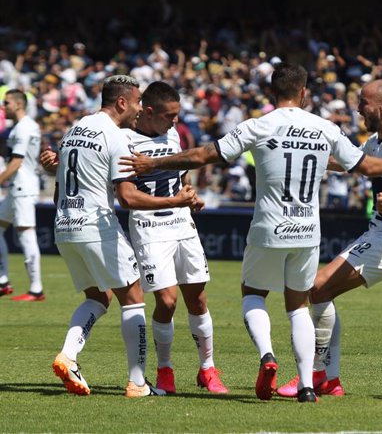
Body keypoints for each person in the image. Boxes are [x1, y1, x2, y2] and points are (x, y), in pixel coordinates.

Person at [119, 63, 382, 403]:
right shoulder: (324, 128)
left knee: (253, 294)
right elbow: (366, 166)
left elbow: (204, 155)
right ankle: (306, 385)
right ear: (303, 92)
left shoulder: (258, 126)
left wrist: (154, 163)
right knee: (298, 306)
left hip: (269, 228)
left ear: (272, 93)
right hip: (307, 230)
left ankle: (267, 355)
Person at [40, 75, 196, 397]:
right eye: (137, 102)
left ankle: (68, 356)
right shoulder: (117, 137)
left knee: (99, 297)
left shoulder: (74, 129)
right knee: (134, 296)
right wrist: (175, 201)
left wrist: (49, 168)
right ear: (122, 102)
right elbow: (127, 198)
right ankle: (138, 383)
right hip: (96, 226)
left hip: (64, 225)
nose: (140, 109)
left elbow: (61, 186)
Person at [276, 79, 382, 398]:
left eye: (364, 102)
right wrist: (313, 154)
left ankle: (319, 375)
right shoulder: (374, 142)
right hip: (379, 232)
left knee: (316, 287)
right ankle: (328, 379)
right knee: (318, 292)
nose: (358, 108)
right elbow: (352, 164)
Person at [125, 81, 228, 394]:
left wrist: (190, 193)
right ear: (150, 112)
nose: (175, 121)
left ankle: (207, 369)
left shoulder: (172, 134)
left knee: (197, 298)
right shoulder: (124, 139)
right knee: (167, 301)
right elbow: (126, 193)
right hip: (148, 226)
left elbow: (182, 173)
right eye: (170, 115)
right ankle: (165, 369)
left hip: (182, 222)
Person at [0, 89, 43, 301]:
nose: (3, 106)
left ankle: (36, 289)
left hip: (23, 188)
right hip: (17, 188)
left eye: (6, 103)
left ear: (18, 104)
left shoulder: (25, 128)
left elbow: (16, 163)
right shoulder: (20, 127)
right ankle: (3, 281)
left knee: (27, 235)